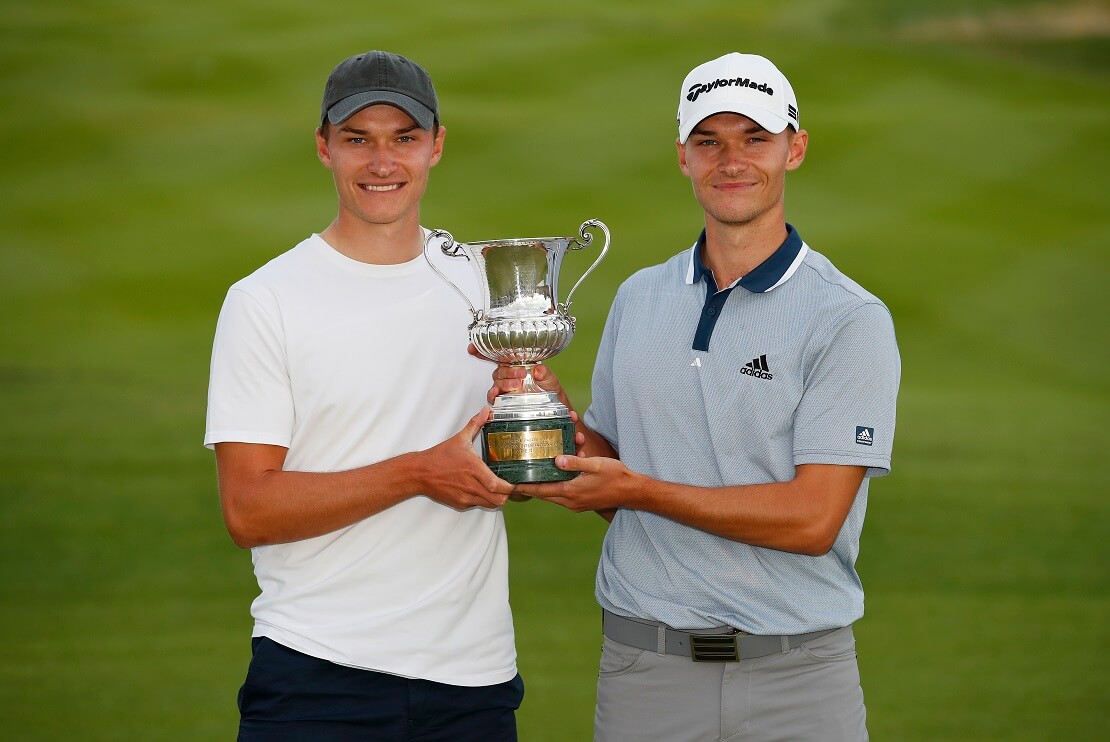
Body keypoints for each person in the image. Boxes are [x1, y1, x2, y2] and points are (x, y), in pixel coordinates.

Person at [493, 52, 900, 741]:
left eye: (754, 138)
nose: (730, 160)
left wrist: (639, 489)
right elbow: (617, 466)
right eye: (709, 140)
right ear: (683, 156)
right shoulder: (638, 297)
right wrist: (553, 420)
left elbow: (812, 520)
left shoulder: (848, 316)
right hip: (646, 670)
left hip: (798, 679)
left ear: (794, 149)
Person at [205, 50, 523, 741]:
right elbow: (247, 509)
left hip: (475, 681)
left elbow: (515, 474)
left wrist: (536, 420)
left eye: (404, 137)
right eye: (359, 139)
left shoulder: (485, 285)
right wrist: (417, 474)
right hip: (317, 676)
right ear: (324, 148)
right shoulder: (265, 301)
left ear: (436, 145)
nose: (383, 162)